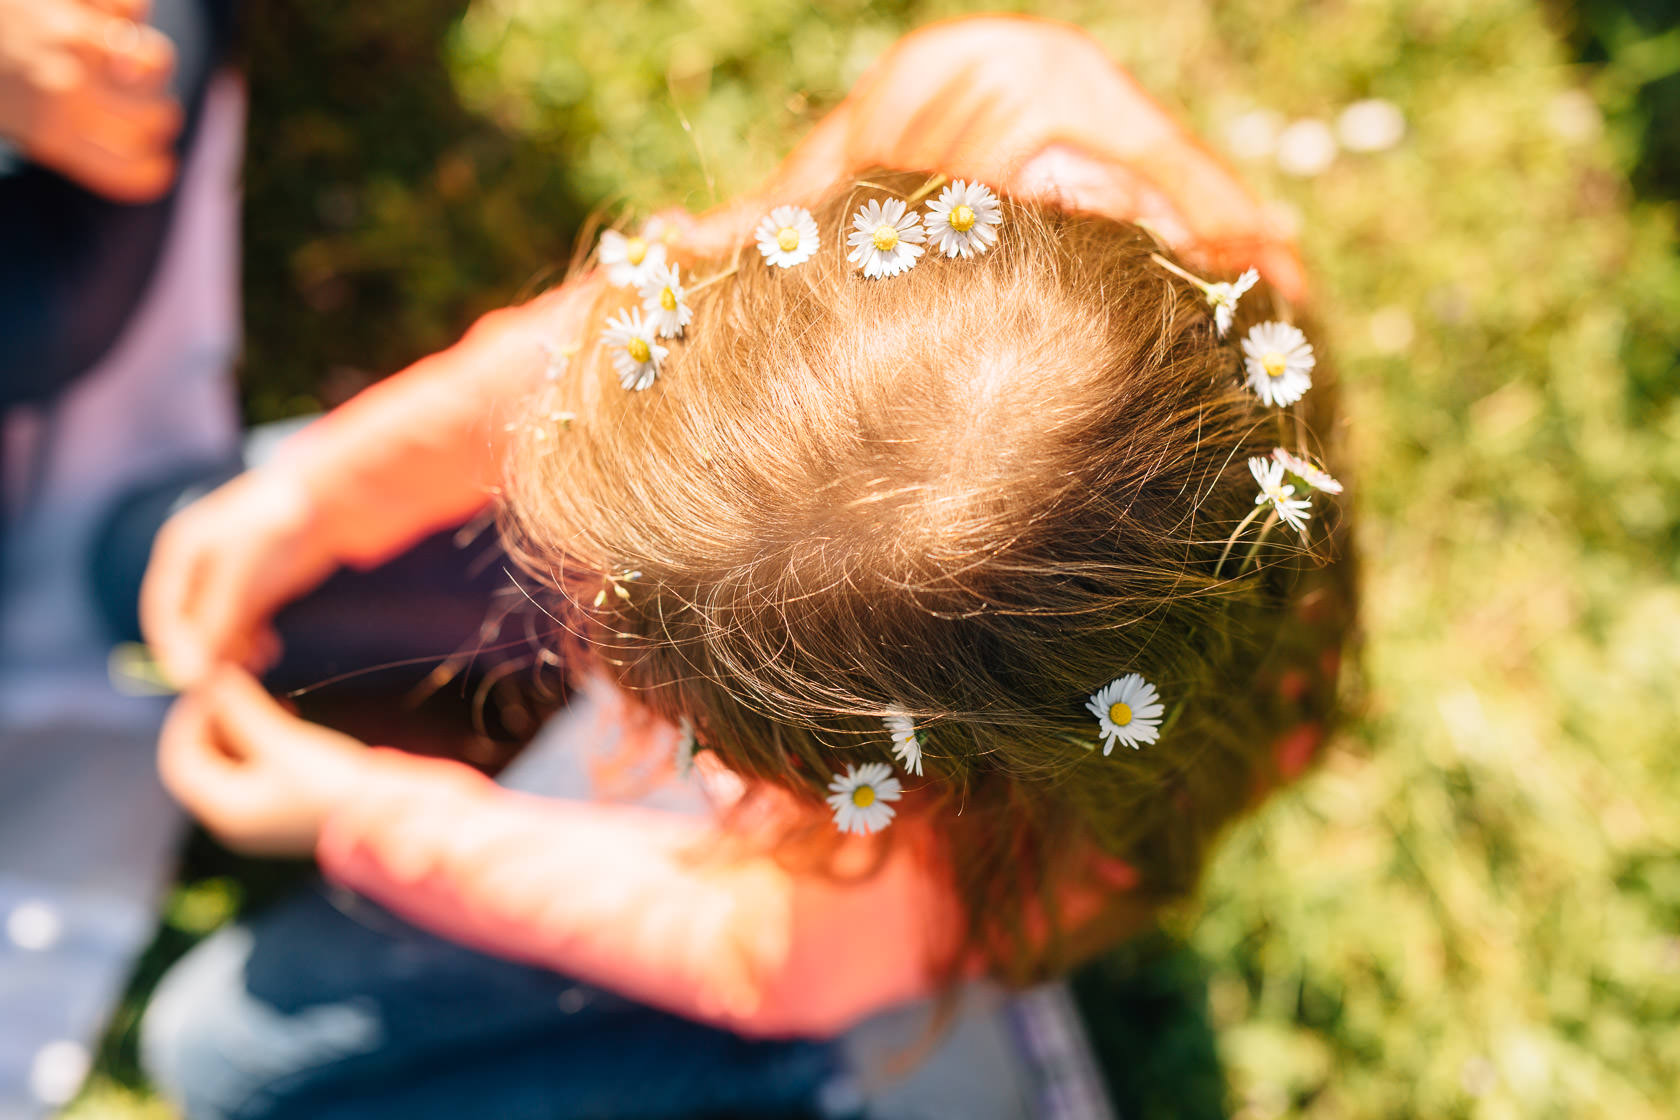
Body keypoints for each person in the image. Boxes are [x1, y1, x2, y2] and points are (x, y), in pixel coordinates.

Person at [138, 14, 1353, 1119]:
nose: (577, 628)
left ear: (859, 764)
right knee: (156, 541)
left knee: (217, 1057)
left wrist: (369, 813)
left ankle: (922, 1061)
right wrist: (313, 496)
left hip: (845, 908)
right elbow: (605, 336)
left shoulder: (1010, 821)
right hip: (857, 757)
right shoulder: (988, 107)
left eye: (684, 719)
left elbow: (754, 949)